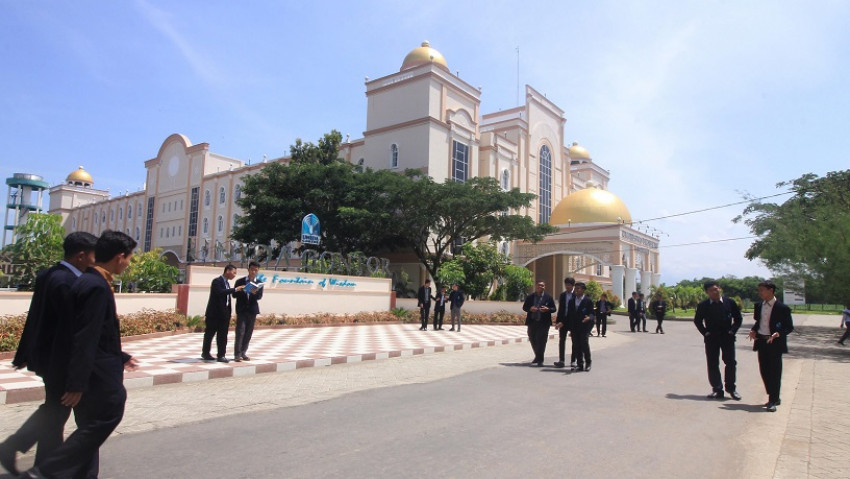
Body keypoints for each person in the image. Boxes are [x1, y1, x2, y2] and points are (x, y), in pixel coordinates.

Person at [20, 230, 139, 479]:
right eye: (129, 258)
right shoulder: (93, 286)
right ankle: (46, 469)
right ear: (120, 257)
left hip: (85, 368)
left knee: (88, 426)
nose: (128, 264)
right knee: (105, 415)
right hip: (91, 373)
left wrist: (120, 356)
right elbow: (83, 336)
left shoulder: (87, 281)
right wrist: (76, 383)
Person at [0, 233, 97, 476]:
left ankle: (36, 463)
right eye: (94, 255)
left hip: (48, 358)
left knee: (55, 412)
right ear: (81, 256)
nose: (96, 261)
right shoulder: (68, 283)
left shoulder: (50, 274)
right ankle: (24, 454)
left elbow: (35, 316)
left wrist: (25, 352)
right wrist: (76, 379)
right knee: (76, 417)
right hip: (62, 362)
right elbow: (70, 332)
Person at [748, 281, 794, 412]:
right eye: (759, 290)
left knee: (775, 371)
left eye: (762, 290)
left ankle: (772, 399)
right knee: (764, 370)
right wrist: (753, 330)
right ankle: (773, 394)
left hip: (775, 342)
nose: (760, 293)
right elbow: (759, 322)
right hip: (761, 341)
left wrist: (779, 333)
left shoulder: (782, 308)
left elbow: (789, 327)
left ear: (771, 290)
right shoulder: (758, 306)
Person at [694, 280, 743, 400]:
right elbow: (697, 321)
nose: (715, 292)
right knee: (712, 364)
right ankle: (717, 389)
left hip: (727, 338)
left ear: (720, 289)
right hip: (712, 339)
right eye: (711, 290)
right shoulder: (703, 305)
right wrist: (705, 333)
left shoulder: (729, 302)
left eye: (716, 289)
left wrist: (732, 331)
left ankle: (731, 389)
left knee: (730, 363)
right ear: (707, 292)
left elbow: (738, 318)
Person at [202, 264, 243, 362]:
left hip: (224, 314)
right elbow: (220, 292)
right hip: (214, 314)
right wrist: (235, 289)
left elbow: (228, 296)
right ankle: (205, 353)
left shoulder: (227, 283)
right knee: (209, 334)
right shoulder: (217, 281)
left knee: (223, 335)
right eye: (234, 272)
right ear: (227, 271)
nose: (234, 275)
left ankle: (221, 355)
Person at [233, 261, 263, 362]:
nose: (253, 272)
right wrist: (243, 290)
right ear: (248, 270)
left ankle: (243, 352)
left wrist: (253, 292)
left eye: (256, 270)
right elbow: (234, 295)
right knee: (240, 331)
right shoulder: (240, 281)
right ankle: (237, 354)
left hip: (252, 310)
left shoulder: (259, 283)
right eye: (252, 269)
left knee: (248, 333)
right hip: (242, 310)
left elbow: (259, 296)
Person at [522, 281, 556, 366]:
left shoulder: (548, 297)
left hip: (544, 322)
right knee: (532, 338)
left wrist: (547, 309)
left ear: (544, 287)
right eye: (538, 285)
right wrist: (530, 308)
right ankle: (537, 356)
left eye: (542, 286)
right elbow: (524, 307)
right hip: (532, 321)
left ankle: (540, 359)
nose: (540, 287)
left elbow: (554, 309)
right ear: (536, 286)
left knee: (542, 340)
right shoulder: (530, 297)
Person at [570, 282, 595, 371]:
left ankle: (588, 362)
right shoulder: (572, 301)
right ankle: (580, 364)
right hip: (575, 326)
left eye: (578, 288)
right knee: (576, 345)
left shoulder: (588, 301)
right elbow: (570, 314)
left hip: (584, 326)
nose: (576, 290)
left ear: (583, 290)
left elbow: (592, 314)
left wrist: (589, 318)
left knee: (584, 344)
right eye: (575, 288)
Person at [553, 277, 575, 367]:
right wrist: (557, 322)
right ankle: (561, 360)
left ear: (572, 285)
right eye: (566, 285)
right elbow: (561, 309)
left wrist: (563, 322)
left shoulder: (576, 295)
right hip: (562, 321)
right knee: (562, 340)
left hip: (572, 321)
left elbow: (573, 311)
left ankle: (573, 361)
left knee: (574, 341)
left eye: (569, 285)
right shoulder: (562, 295)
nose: (567, 287)